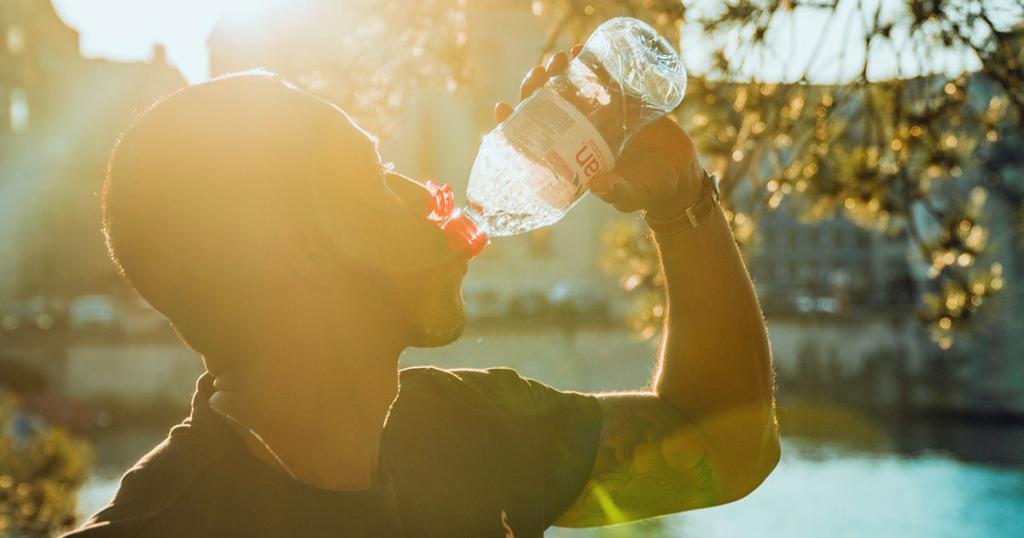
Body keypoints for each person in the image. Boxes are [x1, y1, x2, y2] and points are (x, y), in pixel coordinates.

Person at [65, 47, 779, 537]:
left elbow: (730, 447)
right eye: (374, 178)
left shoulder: (465, 430)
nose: (423, 193)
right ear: (297, 254)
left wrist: (683, 202)